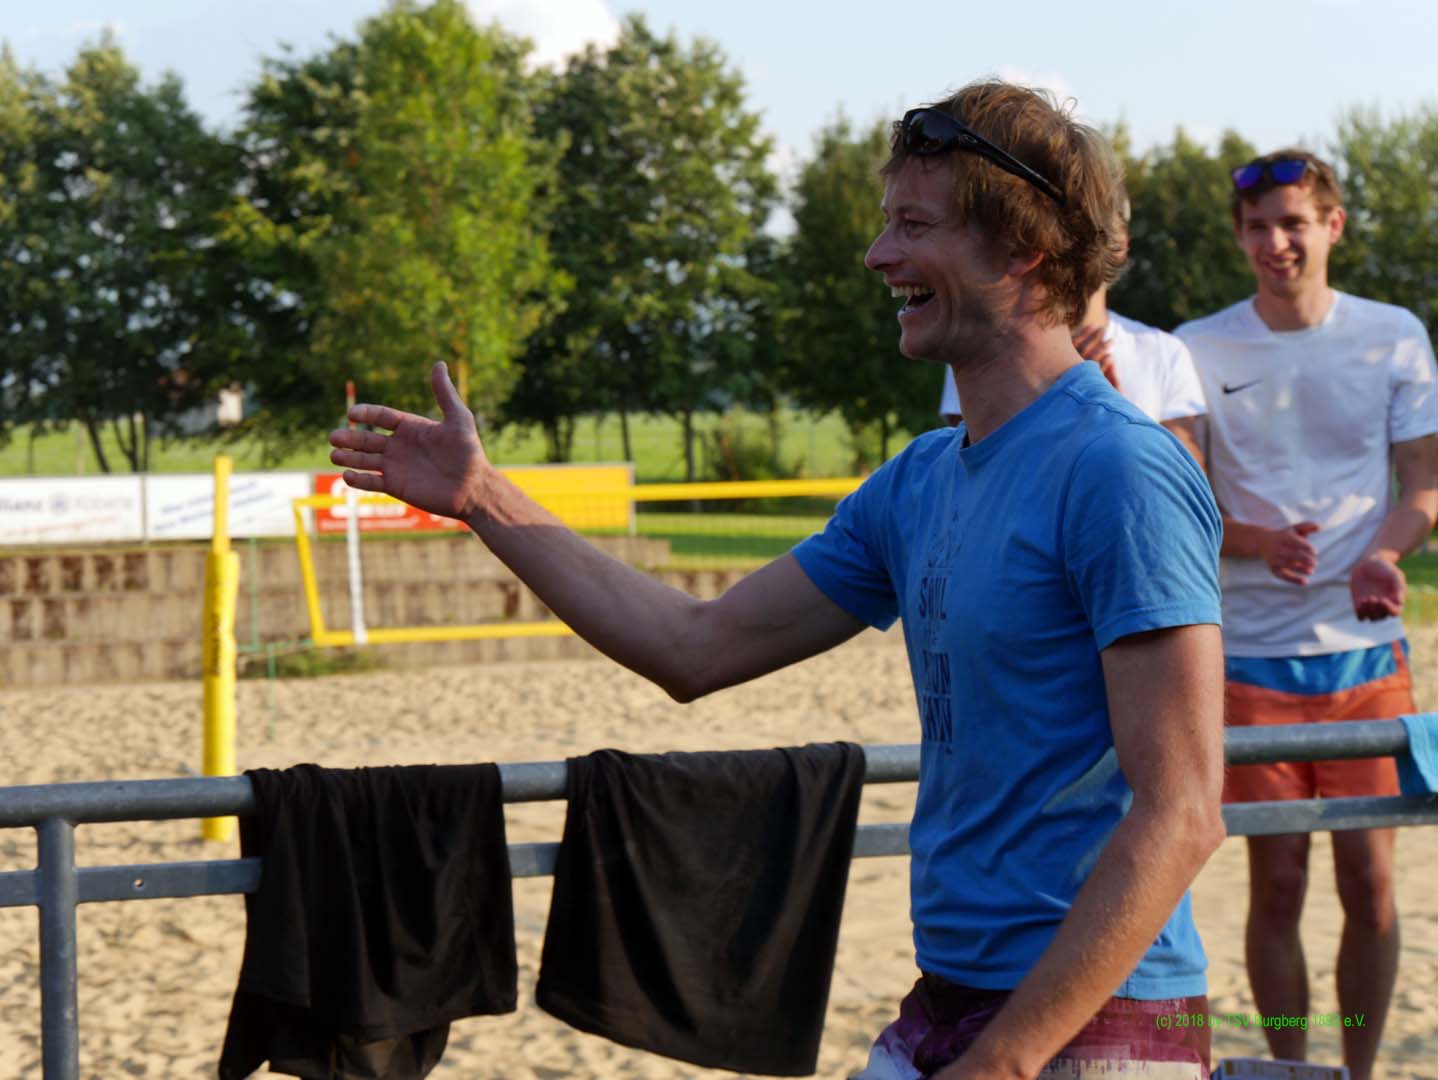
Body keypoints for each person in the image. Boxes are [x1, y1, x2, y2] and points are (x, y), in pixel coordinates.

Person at [330, 80, 1227, 1080]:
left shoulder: (1118, 470)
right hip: (950, 1000)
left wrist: (1007, 1059)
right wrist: (482, 497)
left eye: (913, 225)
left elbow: (1182, 810)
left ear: (1022, 249)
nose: (877, 254)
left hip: (1100, 1023)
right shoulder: (920, 480)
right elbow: (693, 646)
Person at [1176, 149, 1438, 1080]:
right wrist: (1254, 541)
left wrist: (1384, 555)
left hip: (1366, 657)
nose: (1275, 242)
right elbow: (1183, 502)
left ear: (1332, 226)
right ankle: (1291, 1067)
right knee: (1277, 883)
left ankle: (1358, 1070)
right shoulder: (1196, 346)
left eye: (1293, 223)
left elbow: (1425, 484)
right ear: (1240, 237)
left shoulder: (1394, 334)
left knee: (1370, 889)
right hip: (1250, 659)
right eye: (1257, 227)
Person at [938, 199, 1207, 468]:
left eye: (1097, 225)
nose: (1081, 239)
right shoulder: (983, 346)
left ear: (1121, 243)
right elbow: (969, 469)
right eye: (1069, 222)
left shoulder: (1165, 352)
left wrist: (1109, 409)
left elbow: (1186, 475)